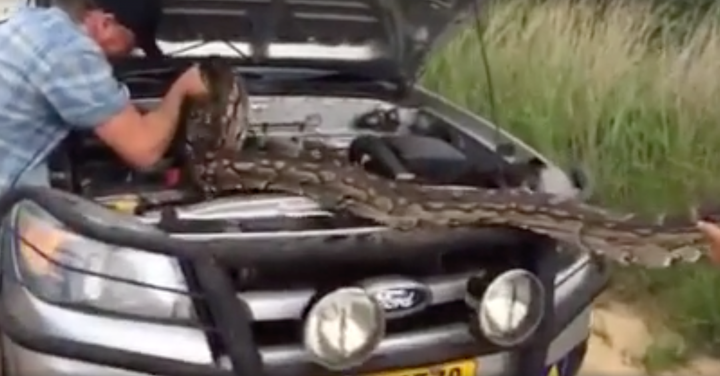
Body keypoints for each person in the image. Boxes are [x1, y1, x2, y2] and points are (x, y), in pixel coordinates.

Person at [0, 0, 208, 192]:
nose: (128, 55)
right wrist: (182, 87)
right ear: (106, 24)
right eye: (130, 45)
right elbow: (144, 151)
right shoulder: (74, 53)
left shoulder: (30, 22)